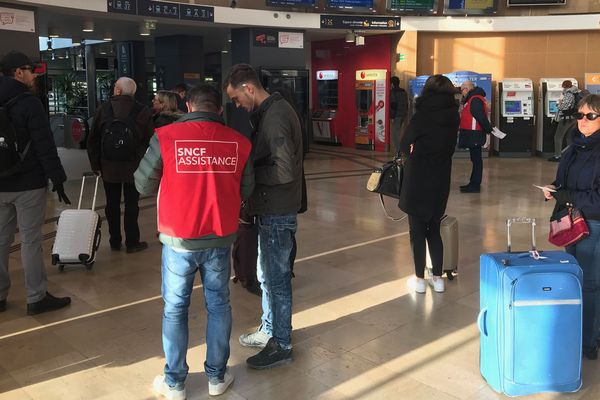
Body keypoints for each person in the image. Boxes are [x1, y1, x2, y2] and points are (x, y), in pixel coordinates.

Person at [135, 84, 254, 398]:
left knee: (175, 309)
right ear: (219, 109)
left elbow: (142, 184)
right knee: (219, 305)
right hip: (219, 237)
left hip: (179, 238)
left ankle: (174, 383)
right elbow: (248, 189)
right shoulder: (240, 142)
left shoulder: (165, 137)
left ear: (188, 106)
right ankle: (216, 377)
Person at [224, 63, 303, 369]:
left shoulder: (276, 117)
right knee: (267, 276)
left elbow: (283, 170)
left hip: (277, 209)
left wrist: (248, 173)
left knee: (276, 278)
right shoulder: (271, 112)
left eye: (236, 98)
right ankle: (270, 329)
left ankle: (281, 343)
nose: (237, 105)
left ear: (249, 88)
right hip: (272, 206)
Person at [0, 51, 72, 315]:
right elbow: (44, 146)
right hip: (28, 183)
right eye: (31, 70)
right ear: (18, 72)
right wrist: (58, 179)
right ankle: (36, 297)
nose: (34, 75)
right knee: (30, 240)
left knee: (0, 239)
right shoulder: (29, 103)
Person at [542, 94, 600, 361]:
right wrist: (554, 189)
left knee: (590, 283)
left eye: (591, 116)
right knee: (574, 278)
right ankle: (577, 332)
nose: (583, 121)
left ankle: (589, 341)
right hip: (572, 220)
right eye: (580, 115)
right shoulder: (574, 146)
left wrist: (567, 196)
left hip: (594, 223)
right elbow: (563, 180)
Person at [398, 74, 460, 294]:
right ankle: (438, 278)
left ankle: (419, 279)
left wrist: (414, 151)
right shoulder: (454, 116)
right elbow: (451, 148)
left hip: (418, 178)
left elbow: (404, 145)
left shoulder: (421, 116)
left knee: (416, 231)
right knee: (434, 229)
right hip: (440, 178)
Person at [87, 77, 154, 253]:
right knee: (132, 205)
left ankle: (115, 240)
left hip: (109, 166)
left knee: (112, 204)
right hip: (134, 167)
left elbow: (93, 139)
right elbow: (150, 141)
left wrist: (96, 165)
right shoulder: (143, 111)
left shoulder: (104, 109)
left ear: (117, 90)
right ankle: (132, 242)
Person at [458, 80, 492, 193]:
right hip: (473, 134)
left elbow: (480, 116)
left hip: (475, 134)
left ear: (467, 89)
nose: (461, 92)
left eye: (462, 90)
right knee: (475, 159)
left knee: (477, 160)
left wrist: (488, 129)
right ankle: (473, 183)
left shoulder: (475, 99)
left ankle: (475, 185)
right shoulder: (473, 98)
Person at [548, 80, 579, 162]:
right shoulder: (576, 92)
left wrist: (558, 104)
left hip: (566, 118)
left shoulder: (569, 94)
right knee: (569, 137)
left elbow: (563, 107)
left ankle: (558, 156)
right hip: (573, 118)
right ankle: (569, 155)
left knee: (558, 136)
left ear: (565, 86)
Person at [389, 76, 409, 153]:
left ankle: (398, 151)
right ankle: (403, 149)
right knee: (402, 133)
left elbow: (393, 105)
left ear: (392, 84)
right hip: (404, 115)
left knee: (395, 134)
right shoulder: (404, 91)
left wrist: (392, 117)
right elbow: (407, 104)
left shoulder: (393, 92)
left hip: (396, 116)